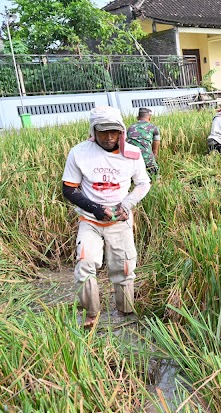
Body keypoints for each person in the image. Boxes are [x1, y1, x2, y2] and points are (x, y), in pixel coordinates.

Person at [62, 106, 151, 328]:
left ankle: (126, 312)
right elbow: (69, 189)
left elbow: (143, 183)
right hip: (90, 221)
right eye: (103, 132)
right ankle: (92, 313)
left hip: (119, 220)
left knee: (124, 268)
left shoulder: (132, 154)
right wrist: (95, 208)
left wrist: (127, 204)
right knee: (85, 264)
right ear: (93, 131)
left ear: (121, 131)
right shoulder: (80, 153)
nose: (109, 137)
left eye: (114, 131)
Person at [126, 107, 161, 177]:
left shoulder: (130, 128)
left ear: (137, 117)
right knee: (155, 177)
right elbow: (155, 150)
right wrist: (153, 159)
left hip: (131, 158)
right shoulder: (154, 128)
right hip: (147, 157)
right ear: (149, 118)